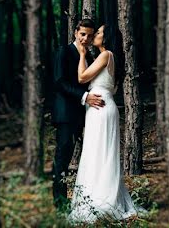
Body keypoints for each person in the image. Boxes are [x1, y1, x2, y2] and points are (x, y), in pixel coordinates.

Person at [67, 23, 144, 224]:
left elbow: (82, 77)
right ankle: (100, 195)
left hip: (100, 109)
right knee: (101, 152)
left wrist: (82, 54)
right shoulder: (111, 57)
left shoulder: (105, 55)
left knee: (98, 152)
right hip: (103, 106)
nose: (95, 36)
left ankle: (102, 200)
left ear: (107, 37)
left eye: (99, 33)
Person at [51, 18, 106, 211]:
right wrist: (85, 96)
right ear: (75, 32)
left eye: (90, 36)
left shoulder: (90, 57)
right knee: (63, 156)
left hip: (85, 114)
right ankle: (60, 204)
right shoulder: (63, 52)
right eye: (83, 34)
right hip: (65, 113)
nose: (86, 38)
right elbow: (59, 82)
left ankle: (87, 199)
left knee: (89, 155)